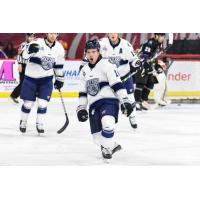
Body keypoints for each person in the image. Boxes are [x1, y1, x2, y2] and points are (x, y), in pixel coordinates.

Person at [77, 39, 133, 159]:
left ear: (98, 52)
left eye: (93, 52)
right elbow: (82, 93)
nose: (91, 55)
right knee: (97, 139)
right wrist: (81, 108)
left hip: (109, 101)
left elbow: (117, 84)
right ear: (85, 53)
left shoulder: (108, 65)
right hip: (93, 105)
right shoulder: (84, 71)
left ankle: (108, 147)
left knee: (107, 124)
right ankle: (112, 145)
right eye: (88, 52)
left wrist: (125, 100)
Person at [19, 33, 65, 136]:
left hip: (46, 80)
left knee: (43, 104)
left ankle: (40, 124)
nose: (53, 35)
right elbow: (23, 57)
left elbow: (58, 65)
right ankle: (23, 121)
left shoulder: (59, 48)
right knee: (28, 104)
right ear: (47, 33)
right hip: (30, 79)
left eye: (55, 33)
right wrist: (28, 50)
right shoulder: (36, 43)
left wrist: (59, 78)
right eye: (51, 32)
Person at [99, 33, 140, 129]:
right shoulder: (101, 43)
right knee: (108, 99)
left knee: (130, 97)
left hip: (124, 76)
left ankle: (132, 116)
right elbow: (92, 54)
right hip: (109, 78)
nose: (113, 34)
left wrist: (138, 63)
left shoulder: (126, 45)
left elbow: (133, 60)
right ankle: (109, 118)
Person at [134, 33, 166, 110]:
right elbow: (144, 55)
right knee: (140, 83)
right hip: (142, 64)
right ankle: (136, 102)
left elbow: (153, 57)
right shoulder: (151, 43)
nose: (162, 38)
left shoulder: (158, 44)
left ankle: (143, 101)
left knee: (150, 83)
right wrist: (146, 64)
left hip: (149, 65)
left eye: (163, 36)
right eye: (161, 36)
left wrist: (157, 66)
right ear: (156, 36)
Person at [10, 33, 36, 104]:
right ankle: (14, 95)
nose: (31, 38)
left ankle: (26, 96)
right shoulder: (23, 45)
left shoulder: (36, 45)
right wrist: (19, 65)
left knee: (30, 82)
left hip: (31, 66)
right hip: (24, 66)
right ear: (26, 37)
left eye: (32, 37)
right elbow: (19, 55)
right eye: (29, 37)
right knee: (23, 83)